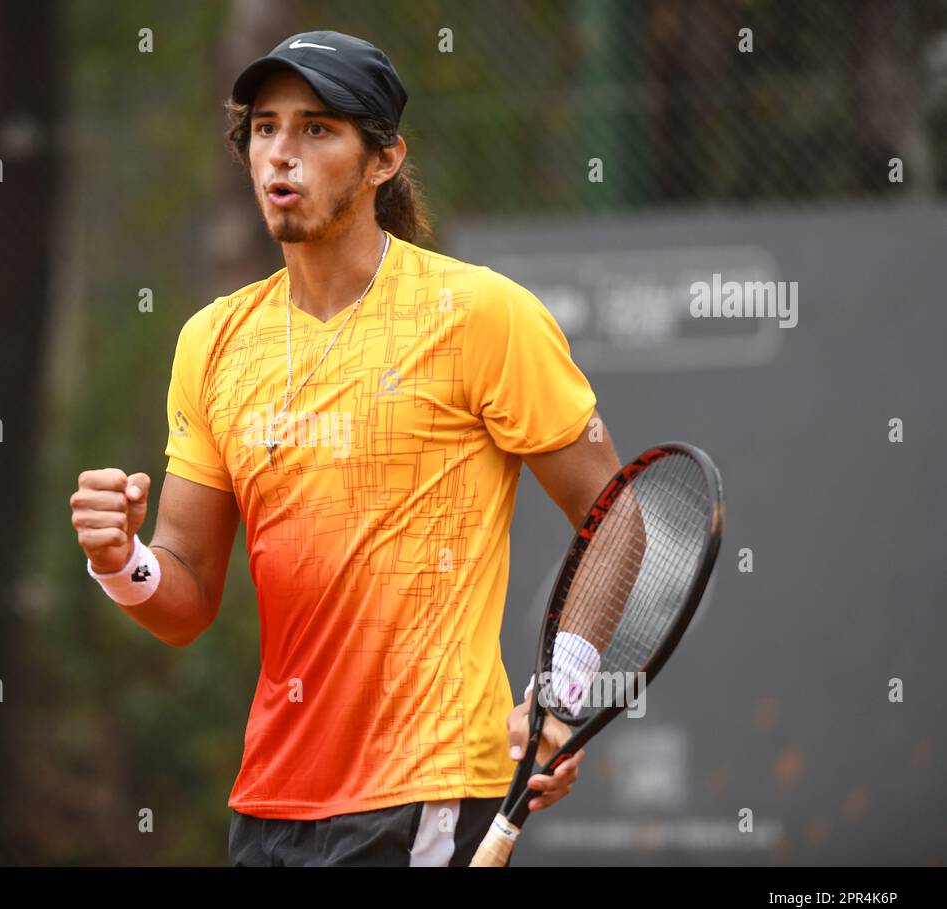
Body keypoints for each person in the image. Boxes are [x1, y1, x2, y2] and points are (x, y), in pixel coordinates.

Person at [71, 31, 623, 865]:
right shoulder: (212, 342)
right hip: (269, 801)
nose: (280, 155)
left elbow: (617, 517)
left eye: (317, 129)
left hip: (427, 788)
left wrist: (563, 692)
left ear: (383, 160)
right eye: (264, 128)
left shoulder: (480, 315)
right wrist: (122, 562)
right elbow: (185, 595)